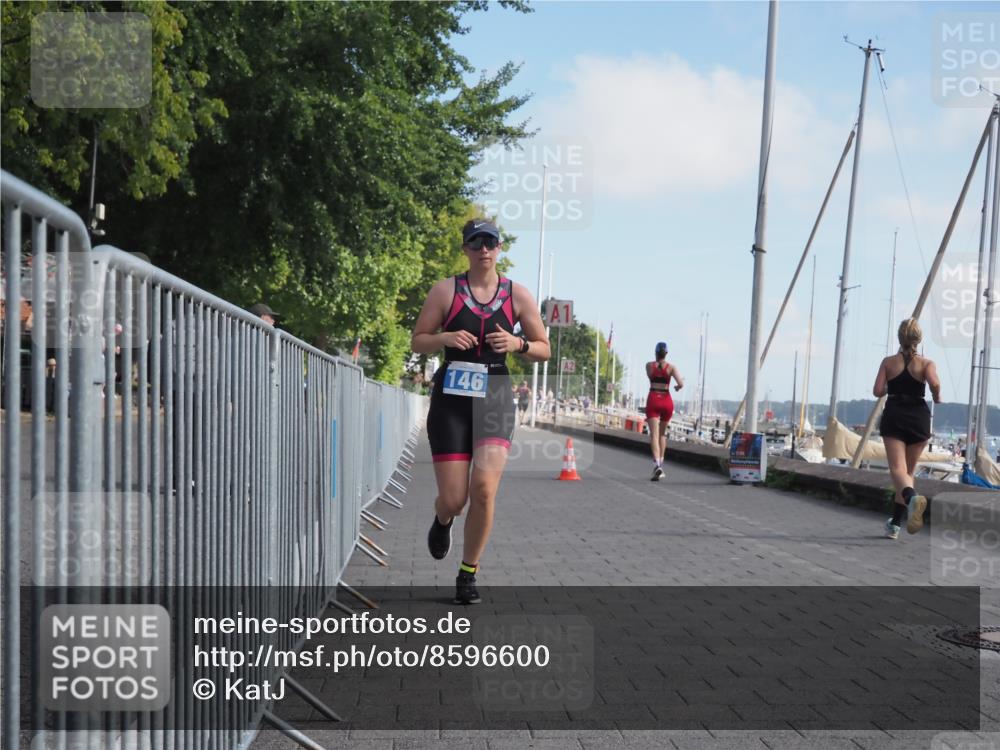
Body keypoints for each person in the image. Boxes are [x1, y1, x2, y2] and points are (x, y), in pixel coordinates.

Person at [411, 219, 550, 604]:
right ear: (466, 249)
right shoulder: (445, 291)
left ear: (500, 248)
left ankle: (467, 573)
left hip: (495, 395)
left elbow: (544, 347)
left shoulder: (517, 295)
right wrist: (444, 337)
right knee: (455, 500)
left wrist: (517, 343)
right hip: (452, 400)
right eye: (476, 242)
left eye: (490, 242)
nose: (483, 249)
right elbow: (418, 341)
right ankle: (443, 521)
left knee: (484, 490)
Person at [873, 318, 941, 539]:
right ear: (918, 339)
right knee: (907, 474)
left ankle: (912, 499)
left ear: (899, 338)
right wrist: (936, 395)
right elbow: (935, 383)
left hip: (895, 415)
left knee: (897, 470)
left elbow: (877, 390)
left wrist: (891, 385)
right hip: (918, 417)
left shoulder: (888, 362)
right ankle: (894, 524)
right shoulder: (927, 364)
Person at [645, 341, 683, 481]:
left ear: (656, 353)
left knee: (654, 435)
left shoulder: (649, 366)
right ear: (666, 353)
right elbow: (681, 383)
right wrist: (678, 387)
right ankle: (661, 464)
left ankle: (656, 466)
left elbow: (652, 374)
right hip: (667, 401)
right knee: (662, 434)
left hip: (653, 399)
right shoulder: (671, 367)